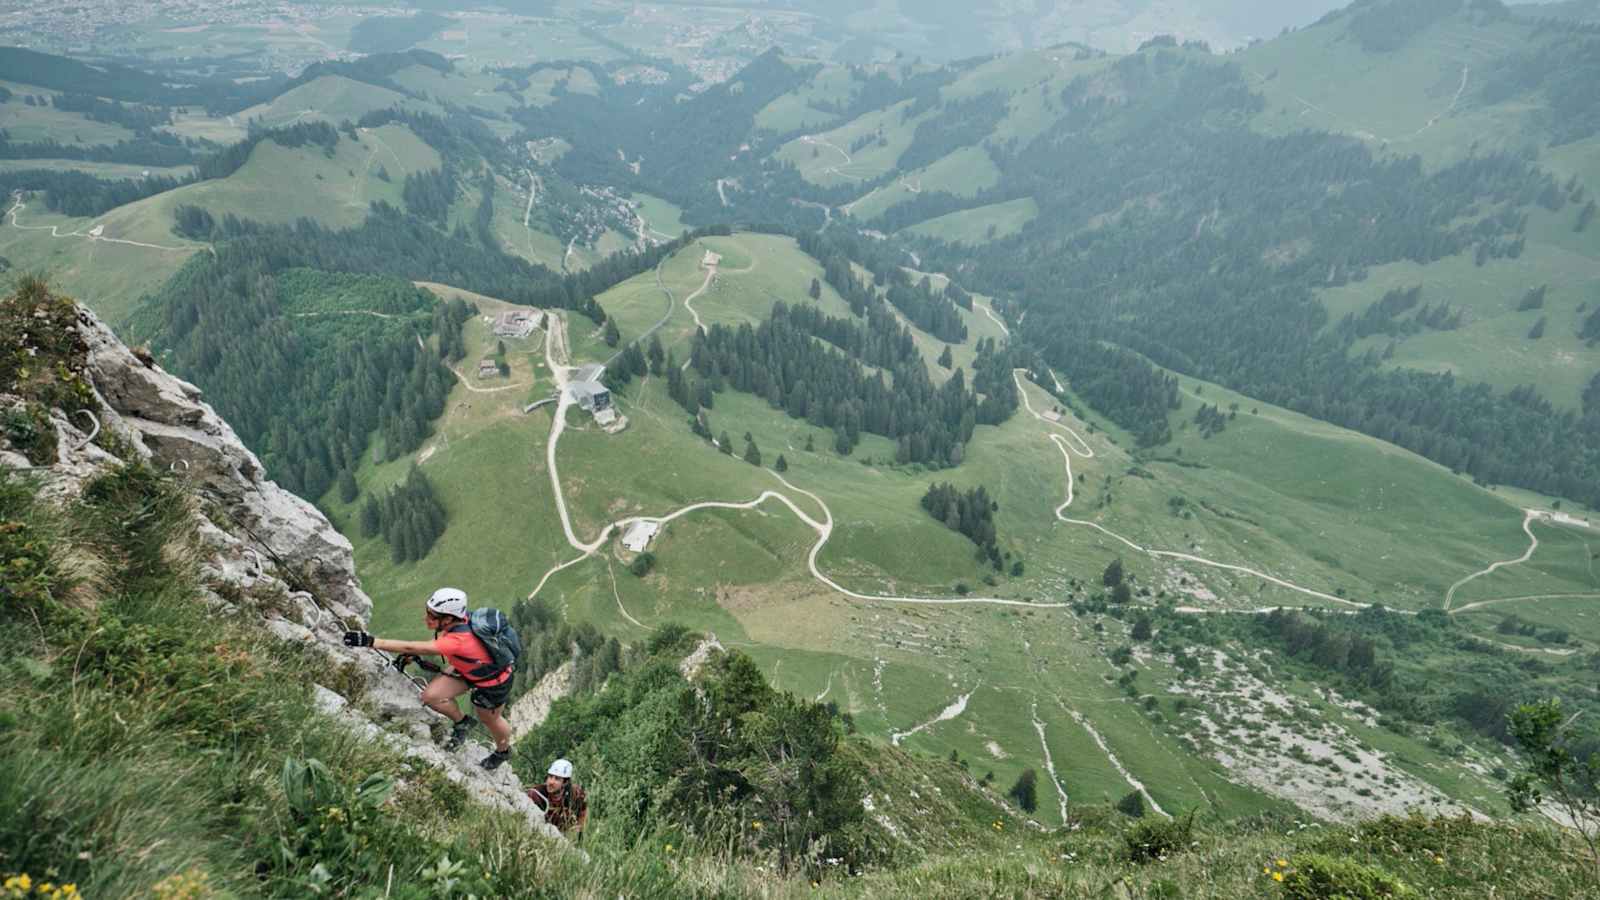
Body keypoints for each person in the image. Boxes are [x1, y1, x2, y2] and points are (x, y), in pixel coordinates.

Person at [343, 588, 515, 770]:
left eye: (432, 616)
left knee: (489, 719)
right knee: (430, 696)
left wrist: (369, 642)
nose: (426, 619)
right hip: (471, 668)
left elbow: (412, 647)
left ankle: (503, 751)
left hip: (494, 681)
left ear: (448, 619)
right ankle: (463, 722)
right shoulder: (463, 620)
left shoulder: (456, 640)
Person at [528, 758, 587, 839]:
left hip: (566, 836)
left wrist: (576, 830)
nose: (551, 782)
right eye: (550, 777)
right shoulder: (537, 794)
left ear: (565, 782)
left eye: (557, 779)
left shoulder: (575, 794)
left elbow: (583, 816)